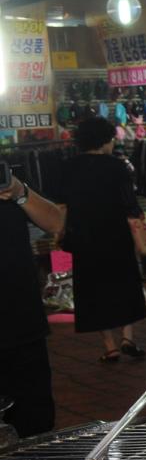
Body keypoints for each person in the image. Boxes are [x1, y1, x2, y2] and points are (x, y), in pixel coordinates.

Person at [60, 116, 146, 363]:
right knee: (124, 284)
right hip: (115, 234)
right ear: (106, 140)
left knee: (93, 289)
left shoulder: (68, 166)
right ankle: (128, 338)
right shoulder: (117, 166)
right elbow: (129, 204)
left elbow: (63, 203)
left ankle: (109, 346)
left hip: (84, 236)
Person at [0, 170, 64, 436]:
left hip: (22, 325)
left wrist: (18, 191)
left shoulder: (7, 177)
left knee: (35, 426)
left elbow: (57, 222)